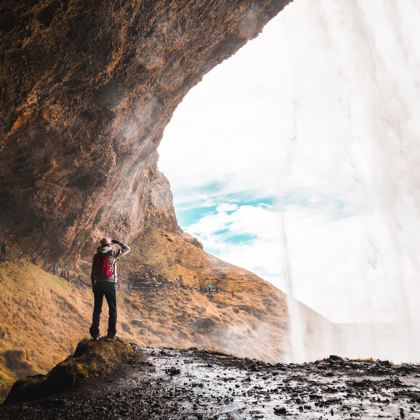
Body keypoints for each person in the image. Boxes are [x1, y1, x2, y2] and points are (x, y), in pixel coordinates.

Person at [89, 237, 130, 341]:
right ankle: (111, 335)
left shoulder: (96, 256)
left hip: (98, 284)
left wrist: (94, 286)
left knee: (97, 309)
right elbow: (127, 249)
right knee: (112, 310)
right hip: (109, 284)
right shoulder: (113, 253)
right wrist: (118, 242)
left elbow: (93, 273)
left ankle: (95, 334)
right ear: (109, 245)